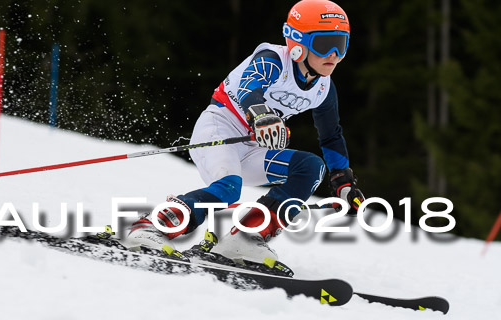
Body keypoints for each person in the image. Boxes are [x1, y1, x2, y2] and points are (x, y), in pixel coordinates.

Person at [126, 0, 365, 266]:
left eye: (341, 45)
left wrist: (343, 181)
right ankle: (149, 227)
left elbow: (331, 135)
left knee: (311, 167)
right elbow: (249, 88)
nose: (333, 54)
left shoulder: (323, 88)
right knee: (228, 190)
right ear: (298, 44)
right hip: (219, 129)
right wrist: (261, 114)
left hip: (253, 147)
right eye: (324, 44)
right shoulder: (273, 60)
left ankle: (246, 239)